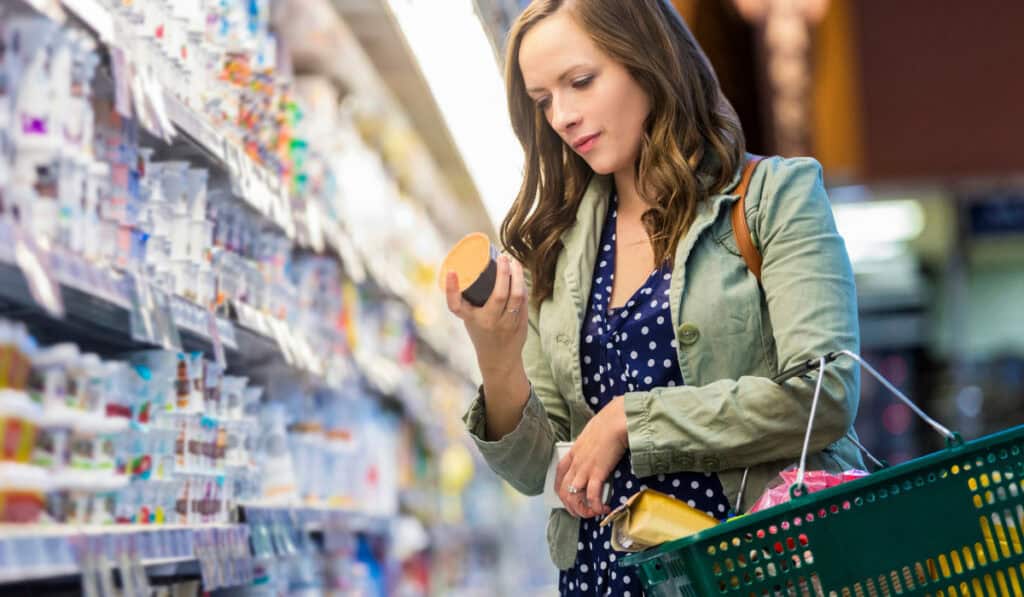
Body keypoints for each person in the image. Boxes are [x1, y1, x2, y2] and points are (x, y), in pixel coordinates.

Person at [443, 0, 864, 594]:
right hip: (607, 575)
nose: (561, 116)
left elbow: (824, 394)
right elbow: (537, 466)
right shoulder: (556, 248)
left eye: (580, 82)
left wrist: (629, 422)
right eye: (543, 100)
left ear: (649, 61)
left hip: (755, 568)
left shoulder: (775, 198)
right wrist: (496, 354)